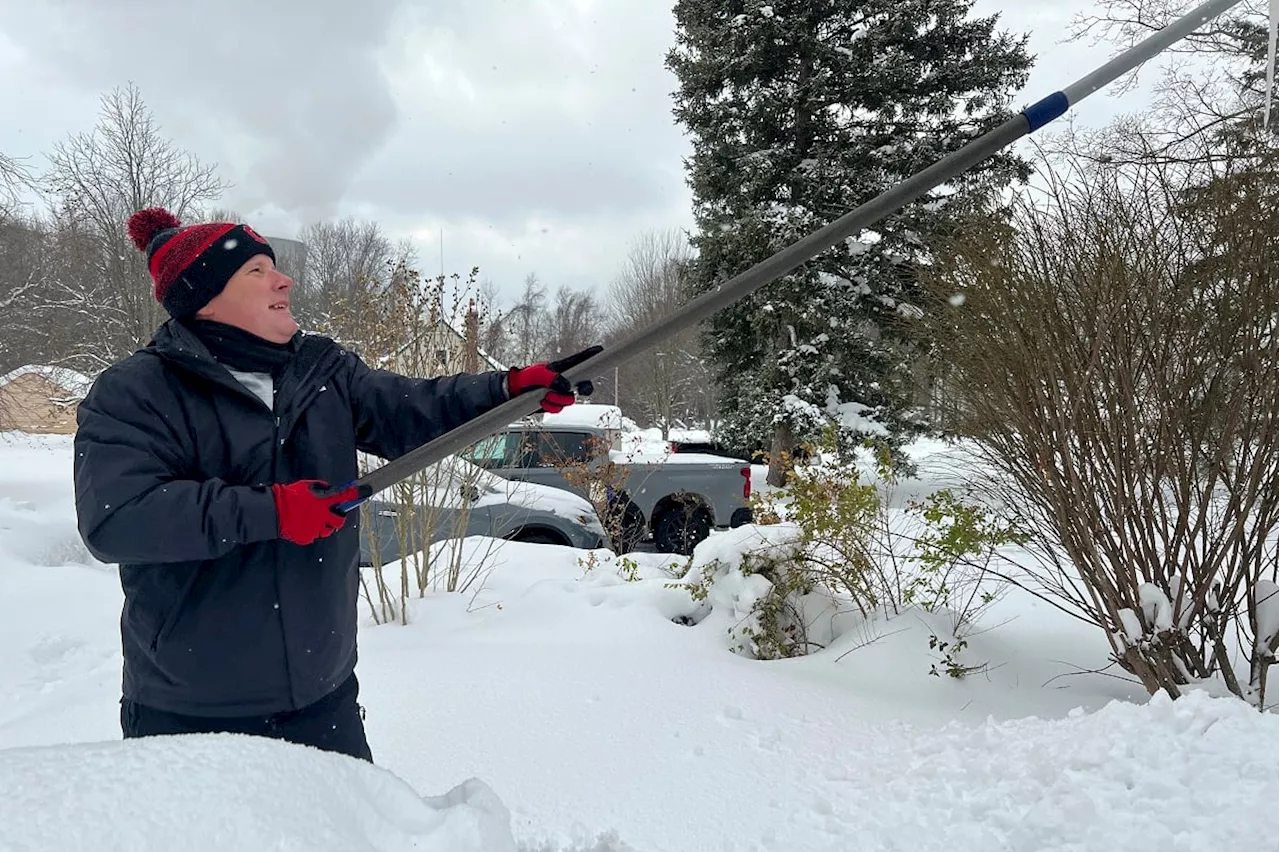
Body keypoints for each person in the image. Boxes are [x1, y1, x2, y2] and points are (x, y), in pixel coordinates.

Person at [72, 207, 599, 762]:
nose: (284, 280)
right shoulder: (137, 391)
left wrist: (507, 390)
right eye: (257, 271)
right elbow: (119, 518)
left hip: (323, 702)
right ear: (204, 295)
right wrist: (272, 512)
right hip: (190, 712)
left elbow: (411, 411)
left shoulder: (321, 372)